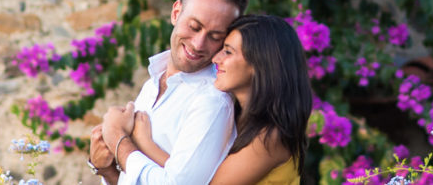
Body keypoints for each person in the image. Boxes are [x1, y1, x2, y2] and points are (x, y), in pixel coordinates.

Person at [102, 14, 313, 185]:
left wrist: (142, 142)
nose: (216, 58)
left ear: (261, 65)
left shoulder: (271, 136)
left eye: (228, 52)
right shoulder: (238, 118)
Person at [89, 0, 250, 185]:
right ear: (176, 13)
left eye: (215, 36)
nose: (198, 44)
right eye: (194, 26)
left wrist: (117, 139)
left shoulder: (212, 101)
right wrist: (106, 169)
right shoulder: (153, 82)